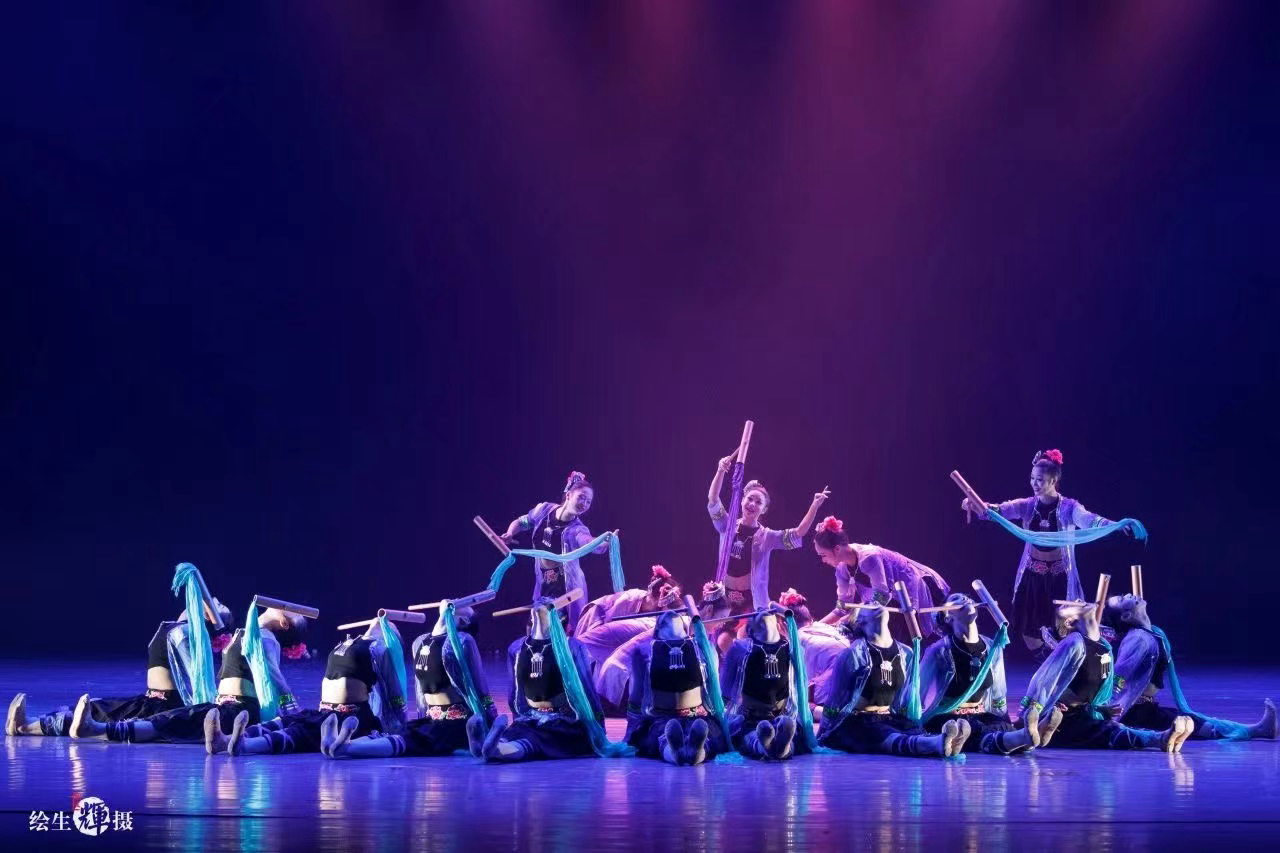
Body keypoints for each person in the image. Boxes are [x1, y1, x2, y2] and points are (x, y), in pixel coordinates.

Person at [962, 449, 1137, 651]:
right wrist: (974, 504)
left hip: (1059, 577)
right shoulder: (1027, 505)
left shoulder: (1069, 507)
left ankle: (1063, 660)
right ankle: (1047, 661)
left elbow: (1089, 519)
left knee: (1063, 627)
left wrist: (1114, 525)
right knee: (1029, 630)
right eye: (1032, 479)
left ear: (1053, 480)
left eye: (1040, 480)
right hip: (1032, 575)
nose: (1034, 484)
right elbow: (997, 510)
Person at [70, 608, 308, 744]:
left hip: (239, 708)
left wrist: (292, 713)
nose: (289, 607)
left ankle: (98, 730)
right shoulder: (248, 633)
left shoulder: (266, 638)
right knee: (170, 720)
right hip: (227, 706)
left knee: (170, 722)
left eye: (294, 612)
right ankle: (91, 726)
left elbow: (276, 680)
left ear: (285, 623)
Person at [7, 602, 231, 737]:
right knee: (96, 708)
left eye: (220, 607)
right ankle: (24, 726)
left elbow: (196, 677)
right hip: (149, 700)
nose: (216, 602)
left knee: (103, 716)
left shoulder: (185, 634)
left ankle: (26, 728)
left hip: (164, 704)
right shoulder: (174, 627)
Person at [207, 619, 407, 756]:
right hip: (337, 713)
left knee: (297, 730)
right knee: (290, 723)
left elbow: (392, 694)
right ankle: (230, 741)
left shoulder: (364, 646)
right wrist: (401, 723)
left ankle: (241, 743)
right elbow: (395, 695)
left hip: (343, 714)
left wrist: (400, 725)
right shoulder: (365, 645)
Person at [325, 604, 499, 758]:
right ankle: (341, 743)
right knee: (393, 734)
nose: (459, 600)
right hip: (433, 720)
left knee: (405, 740)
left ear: (463, 620)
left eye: (467, 605)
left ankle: (347, 748)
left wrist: (490, 719)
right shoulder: (420, 642)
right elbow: (420, 692)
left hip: (456, 723)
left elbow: (480, 685)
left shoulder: (462, 640)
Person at [1022, 601, 1193, 751]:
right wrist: (1033, 712)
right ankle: (1160, 739)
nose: (1077, 600)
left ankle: (1163, 737)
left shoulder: (1104, 647)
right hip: (1063, 720)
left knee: (1111, 729)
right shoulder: (1073, 642)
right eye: (1067, 605)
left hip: (1082, 714)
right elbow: (1044, 680)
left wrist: (1101, 708)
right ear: (1069, 621)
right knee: (1112, 732)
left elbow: (1098, 690)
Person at [1104, 593, 1276, 741]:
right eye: (1122, 599)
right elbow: (1120, 675)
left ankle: (1258, 730)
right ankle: (1258, 730)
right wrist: (1106, 707)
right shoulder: (1138, 639)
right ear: (1126, 616)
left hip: (1146, 709)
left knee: (1197, 721)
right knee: (1198, 726)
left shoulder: (1153, 633)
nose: (1129, 594)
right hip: (1136, 713)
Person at [817, 603, 968, 757]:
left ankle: (946, 743)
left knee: (911, 730)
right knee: (886, 735)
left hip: (888, 717)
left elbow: (906, 696)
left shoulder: (906, 653)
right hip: (859, 721)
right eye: (868, 604)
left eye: (877, 602)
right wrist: (825, 731)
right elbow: (837, 698)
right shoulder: (853, 654)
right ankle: (936, 743)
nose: (875, 603)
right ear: (859, 620)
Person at [473, 599, 612, 762]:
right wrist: (518, 719)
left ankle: (493, 749)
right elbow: (515, 692)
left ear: (560, 617)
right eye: (540, 600)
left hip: (563, 721)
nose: (542, 599)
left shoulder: (571, 646)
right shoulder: (517, 648)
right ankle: (483, 746)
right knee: (517, 734)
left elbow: (587, 688)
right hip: (530, 718)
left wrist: (598, 725)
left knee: (532, 742)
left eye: (549, 601)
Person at [919, 594, 1050, 754]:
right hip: (949, 718)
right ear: (947, 617)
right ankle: (1024, 739)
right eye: (956, 599)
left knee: (994, 729)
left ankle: (1027, 736)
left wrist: (1004, 719)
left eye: (966, 597)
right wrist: (911, 722)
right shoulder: (938, 651)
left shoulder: (991, 647)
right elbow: (919, 691)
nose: (965, 599)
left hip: (982, 715)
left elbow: (998, 691)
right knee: (972, 733)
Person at [707, 452, 829, 614]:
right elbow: (713, 499)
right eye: (750, 499)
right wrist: (720, 470)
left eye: (758, 502)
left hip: (752, 603)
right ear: (742, 500)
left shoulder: (767, 537)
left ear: (763, 510)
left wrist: (815, 505)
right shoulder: (727, 526)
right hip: (724, 598)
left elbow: (798, 533)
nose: (752, 504)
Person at [500, 471, 611, 631]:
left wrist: (605, 541)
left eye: (588, 501)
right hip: (544, 582)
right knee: (533, 629)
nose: (584, 504)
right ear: (568, 495)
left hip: (567, 589)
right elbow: (522, 522)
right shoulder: (544, 510)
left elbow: (591, 544)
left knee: (556, 631)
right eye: (581, 497)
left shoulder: (577, 529)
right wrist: (510, 533)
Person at [624, 609, 730, 765]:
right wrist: (631, 729)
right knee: (663, 736)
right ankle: (677, 752)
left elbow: (715, 687)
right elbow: (636, 694)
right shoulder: (644, 650)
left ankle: (694, 751)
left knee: (703, 736)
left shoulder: (704, 647)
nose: (670, 612)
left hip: (697, 716)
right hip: (661, 717)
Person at [813, 516, 950, 635]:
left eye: (823, 555)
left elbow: (880, 597)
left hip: (916, 590)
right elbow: (842, 607)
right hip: (894, 603)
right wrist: (815, 627)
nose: (823, 560)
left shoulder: (869, 557)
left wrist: (846, 620)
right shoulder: (842, 569)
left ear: (837, 549)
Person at [719, 608, 804, 760]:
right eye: (757, 611)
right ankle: (768, 746)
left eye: (766, 610)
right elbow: (725, 691)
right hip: (751, 717)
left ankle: (781, 747)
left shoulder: (792, 648)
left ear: (778, 622)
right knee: (752, 737)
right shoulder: (739, 649)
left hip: (783, 713)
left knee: (790, 732)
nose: (761, 610)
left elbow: (801, 685)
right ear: (750, 628)